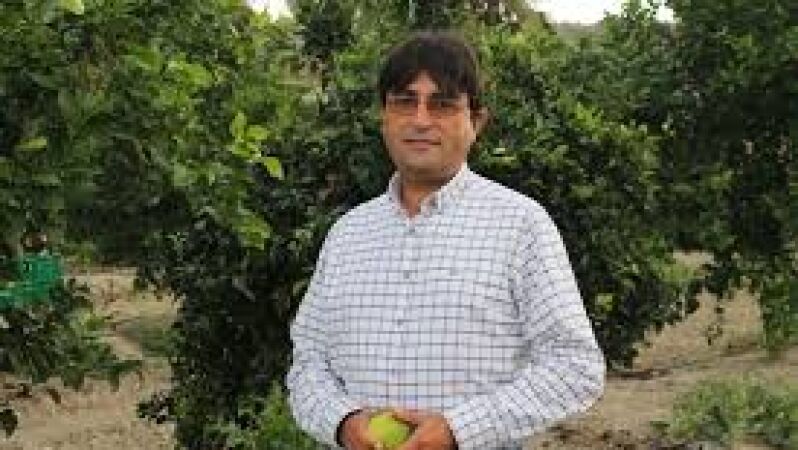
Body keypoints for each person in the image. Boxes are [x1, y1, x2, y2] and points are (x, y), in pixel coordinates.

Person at [286, 30, 605, 450]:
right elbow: (308, 362)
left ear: (476, 122)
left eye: (442, 104)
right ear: (384, 116)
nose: (420, 120)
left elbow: (575, 365)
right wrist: (343, 422)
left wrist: (459, 429)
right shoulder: (347, 235)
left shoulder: (520, 226)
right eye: (405, 102)